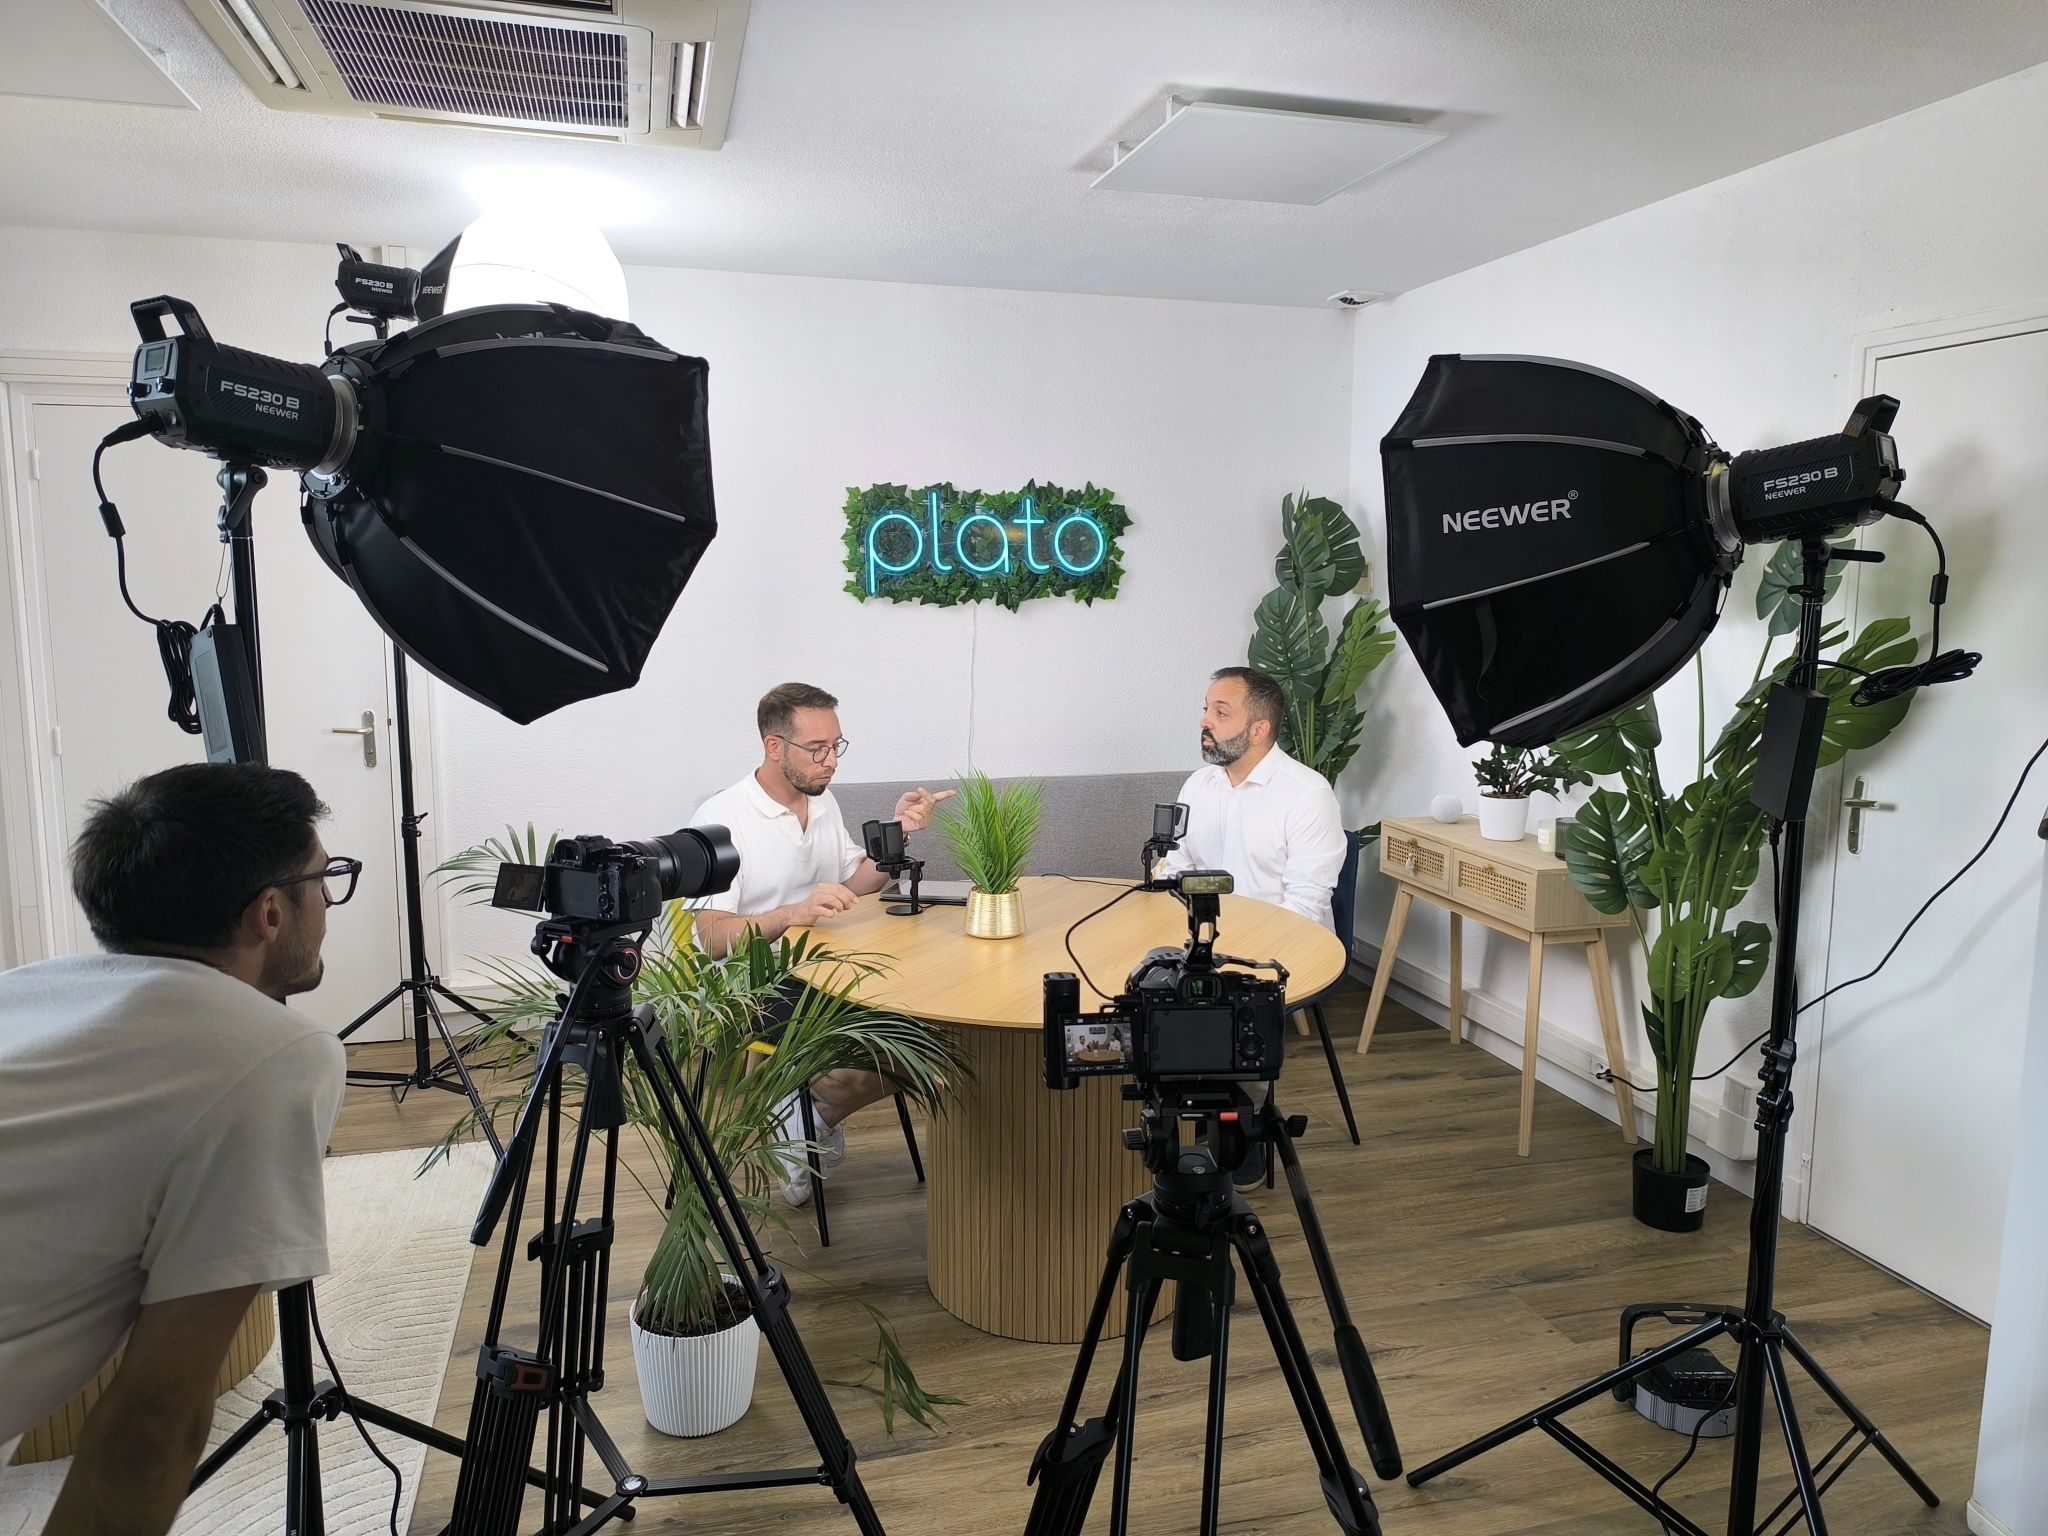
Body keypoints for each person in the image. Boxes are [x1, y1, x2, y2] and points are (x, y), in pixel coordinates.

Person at [0, 763, 351, 1536]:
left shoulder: (21, 991)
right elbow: (153, 1421)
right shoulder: (270, 1055)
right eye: (324, 882)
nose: (329, 906)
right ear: (269, 912)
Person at [688, 682, 953, 1205]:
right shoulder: (721, 819)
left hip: (829, 964)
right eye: (817, 749)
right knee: (894, 1048)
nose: (831, 761)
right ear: (774, 746)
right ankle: (807, 1112)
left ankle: (807, 1117)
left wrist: (900, 832)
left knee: (936, 1032)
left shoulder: (821, 801)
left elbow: (857, 883)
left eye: (836, 746)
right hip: (753, 983)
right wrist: (793, 913)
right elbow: (712, 938)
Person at [1160, 666, 1347, 1186]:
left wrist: (1239, 954)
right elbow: (1175, 866)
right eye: (1206, 709)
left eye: (1220, 712)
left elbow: (1306, 904)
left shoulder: (1307, 794)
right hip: (1203, 937)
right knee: (1149, 982)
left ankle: (1241, 1122)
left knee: (1230, 993)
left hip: (1286, 944)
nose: (1205, 721)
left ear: (1259, 728)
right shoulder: (1199, 784)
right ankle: (1178, 1114)